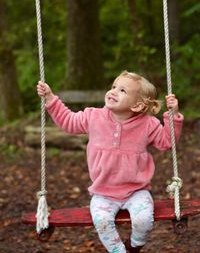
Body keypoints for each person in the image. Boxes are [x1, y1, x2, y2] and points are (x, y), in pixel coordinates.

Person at [37, 71, 184, 253]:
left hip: (137, 191)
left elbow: (167, 141)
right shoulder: (93, 117)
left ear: (138, 105)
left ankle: (134, 245)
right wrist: (51, 99)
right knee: (102, 222)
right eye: (113, 86)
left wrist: (173, 115)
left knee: (144, 220)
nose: (113, 91)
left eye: (122, 90)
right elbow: (68, 121)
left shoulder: (148, 124)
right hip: (103, 193)